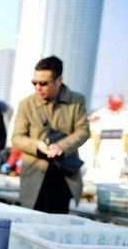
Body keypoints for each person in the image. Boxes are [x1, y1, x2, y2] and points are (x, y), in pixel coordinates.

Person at [12, 56, 89, 213]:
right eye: (35, 83)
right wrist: (37, 145)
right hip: (34, 174)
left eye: (44, 83)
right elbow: (17, 137)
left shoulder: (77, 100)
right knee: (30, 223)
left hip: (64, 174)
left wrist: (60, 147)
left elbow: (83, 131)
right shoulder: (26, 104)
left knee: (58, 224)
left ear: (59, 80)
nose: (38, 87)